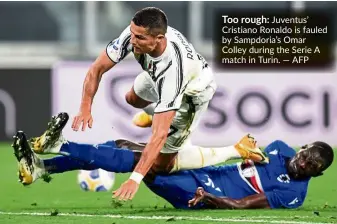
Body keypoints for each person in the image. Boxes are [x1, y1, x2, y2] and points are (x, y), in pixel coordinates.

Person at [37, 7, 269, 201]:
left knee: (163, 165)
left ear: (159, 39)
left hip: (193, 93)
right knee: (132, 98)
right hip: (154, 73)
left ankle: (238, 149)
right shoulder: (134, 34)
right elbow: (97, 68)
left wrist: (135, 178)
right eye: (133, 33)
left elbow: (157, 137)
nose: (132, 40)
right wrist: (85, 107)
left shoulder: (173, 74)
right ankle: (155, 113)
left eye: (139, 38)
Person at [14, 113, 334, 209]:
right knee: (123, 144)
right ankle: (43, 168)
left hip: (197, 193)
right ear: (302, 147)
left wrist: (212, 199)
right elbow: (250, 154)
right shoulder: (279, 147)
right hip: (202, 170)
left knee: (145, 160)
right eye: (306, 156)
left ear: (316, 175)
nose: (304, 164)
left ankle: (59, 145)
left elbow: (247, 203)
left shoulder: (294, 194)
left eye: (311, 167)